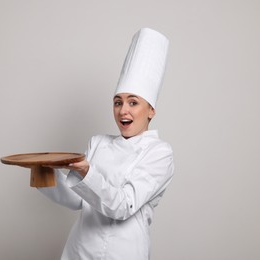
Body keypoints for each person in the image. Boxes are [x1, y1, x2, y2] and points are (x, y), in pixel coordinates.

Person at [38, 28, 174, 260]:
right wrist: (41, 173)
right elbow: (78, 200)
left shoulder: (160, 153)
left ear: (151, 110)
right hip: (80, 249)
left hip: (125, 253)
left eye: (133, 102)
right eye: (117, 102)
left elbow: (123, 206)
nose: (123, 110)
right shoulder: (98, 143)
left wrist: (86, 171)